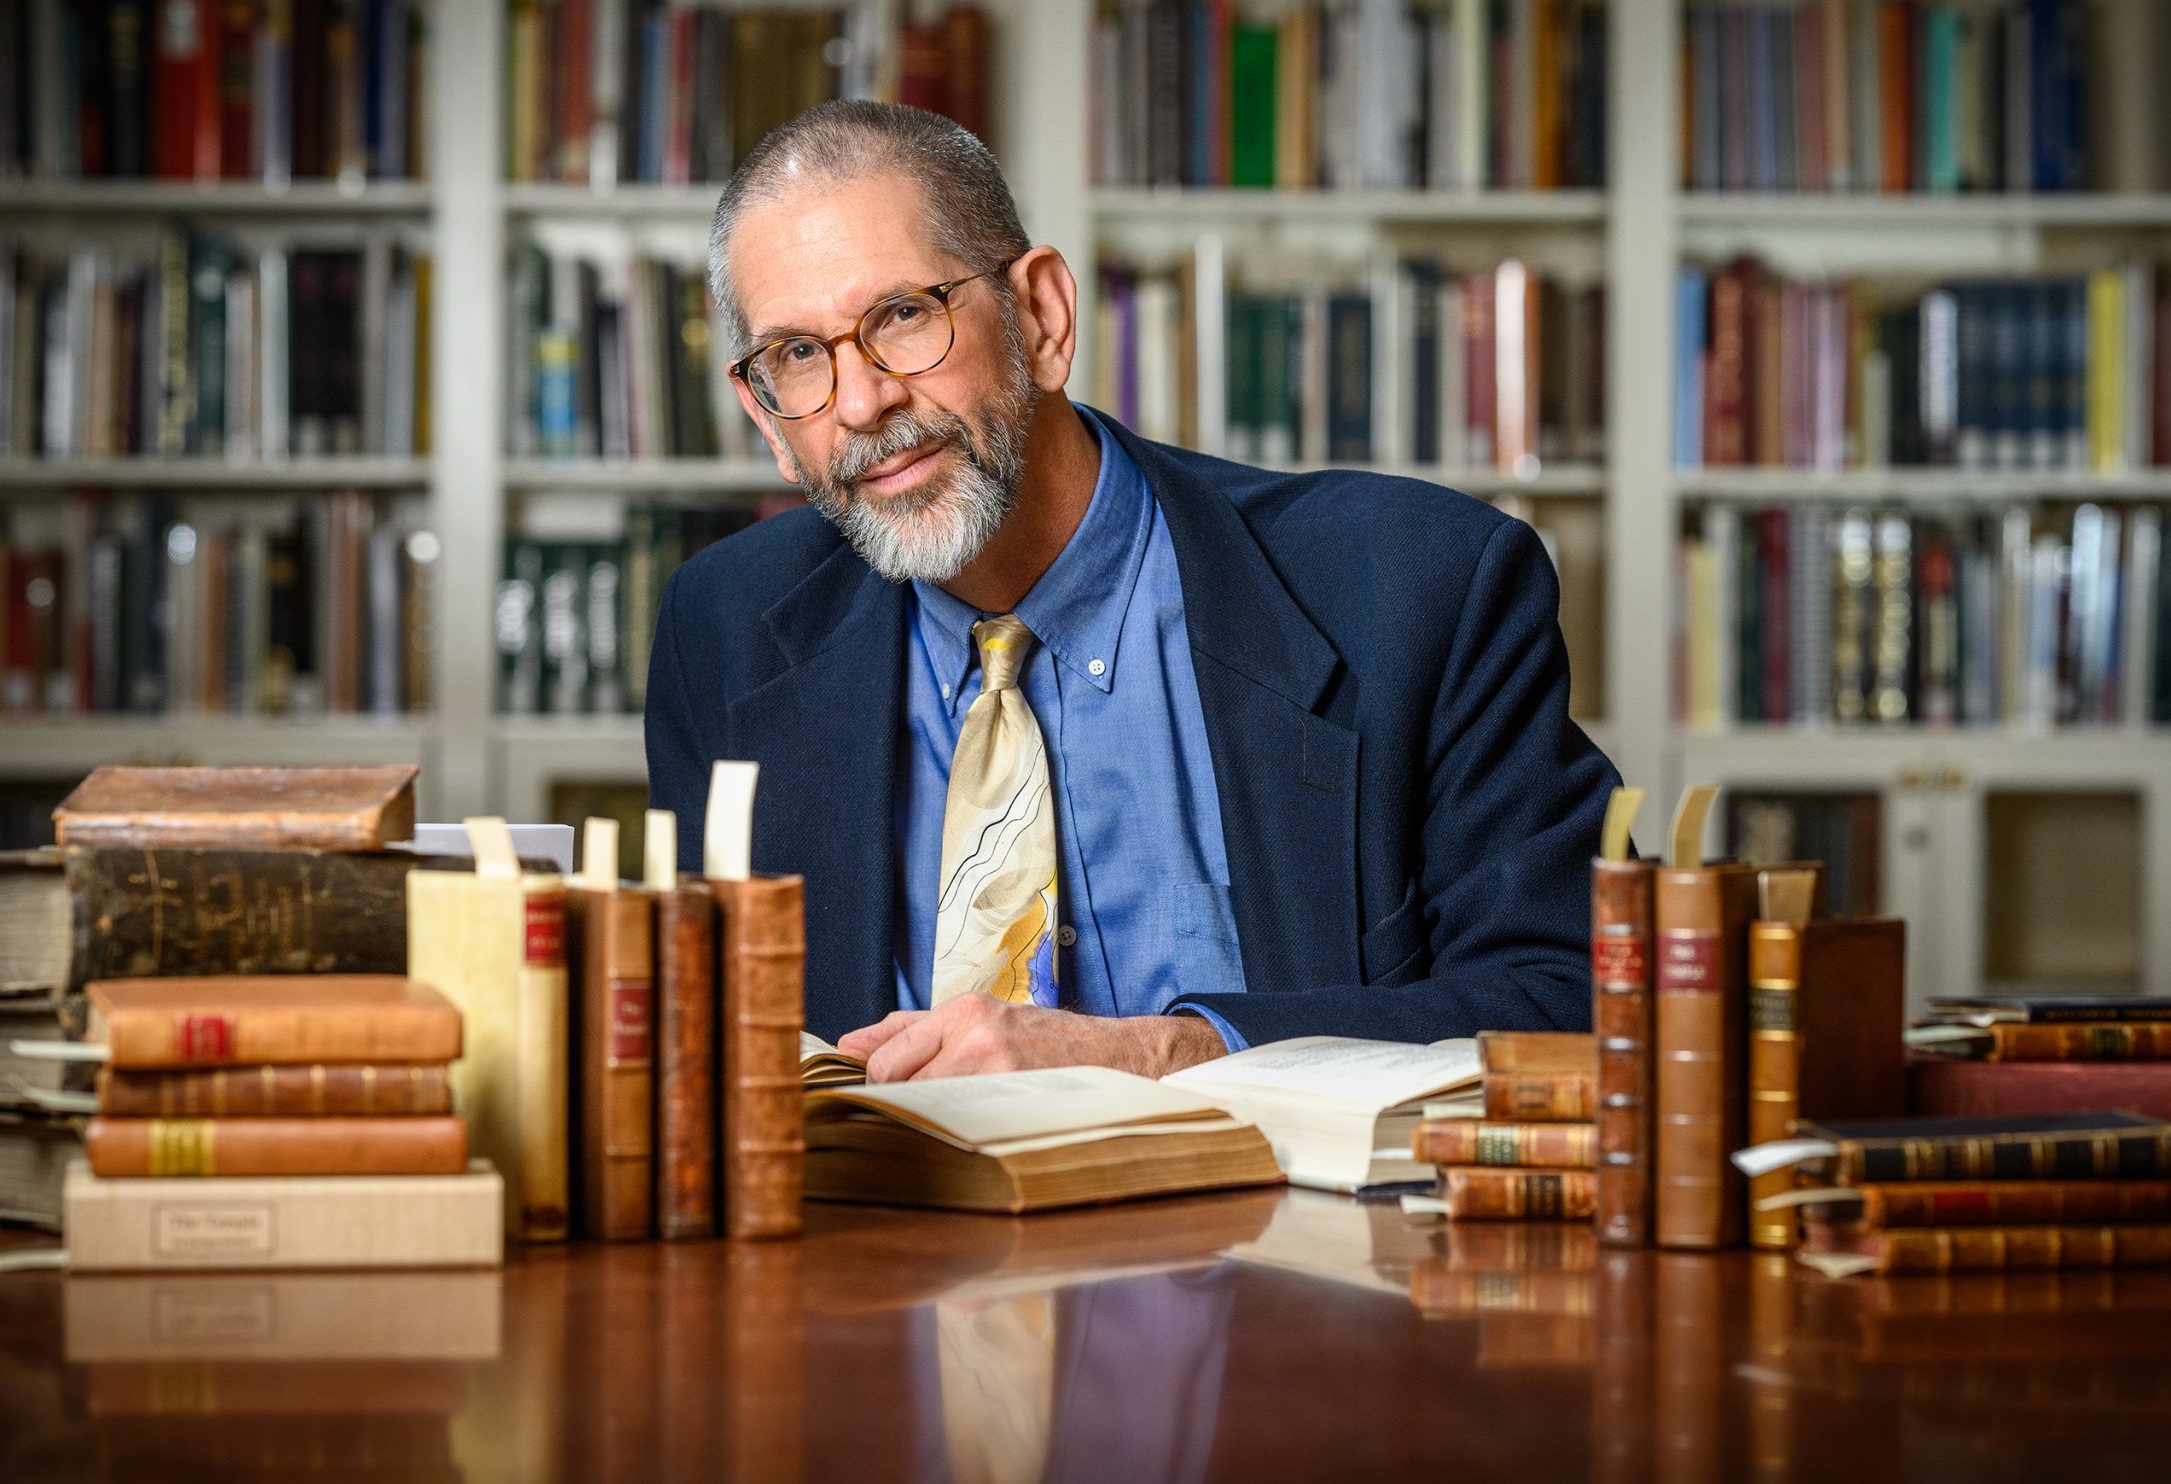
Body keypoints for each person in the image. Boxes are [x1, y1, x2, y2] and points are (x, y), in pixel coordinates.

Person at [644, 100, 1620, 1082]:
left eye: (903, 316)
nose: (860, 404)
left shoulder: (1417, 590)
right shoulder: (721, 631)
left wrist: (1168, 1053)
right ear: (767, 417)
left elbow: (1571, 996)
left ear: (1044, 318)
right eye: (798, 357)